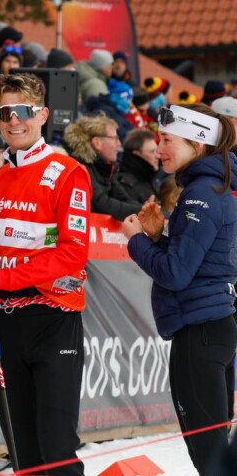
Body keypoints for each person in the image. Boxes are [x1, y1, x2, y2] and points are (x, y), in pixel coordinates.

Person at [0, 73, 91, 476]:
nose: (13, 120)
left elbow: (72, 253)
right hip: (4, 326)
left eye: (23, 111)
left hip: (53, 318)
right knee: (23, 454)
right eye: (4, 112)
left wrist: (3, 279)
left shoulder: (67, 171)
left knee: (56, 450)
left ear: (42, 115)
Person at [121, 103, 237, 473]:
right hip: (212, 327)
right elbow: (196, 263)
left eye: (168, 139)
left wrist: (137, 240)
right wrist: (157, 237)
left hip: (200, 332)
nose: (159, 148)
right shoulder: (211, 186)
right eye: (158, 139)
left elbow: (175, 274)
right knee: (216, 453)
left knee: (212, 459)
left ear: (198, 145)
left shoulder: (200, 193)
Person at [63, 113, 143, 221]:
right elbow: (102, 205)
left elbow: (124, 199)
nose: (119, 143)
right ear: (97, 143)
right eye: (115, 138)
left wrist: (147, 209)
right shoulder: (80, 167)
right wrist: (142, 212)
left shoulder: (106, 167)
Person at [117, 129, 159, 204]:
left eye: (157, 151)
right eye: (152, 152)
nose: (158, 156)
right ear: (137, 154)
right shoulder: (126, 185)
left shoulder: (148, 178)